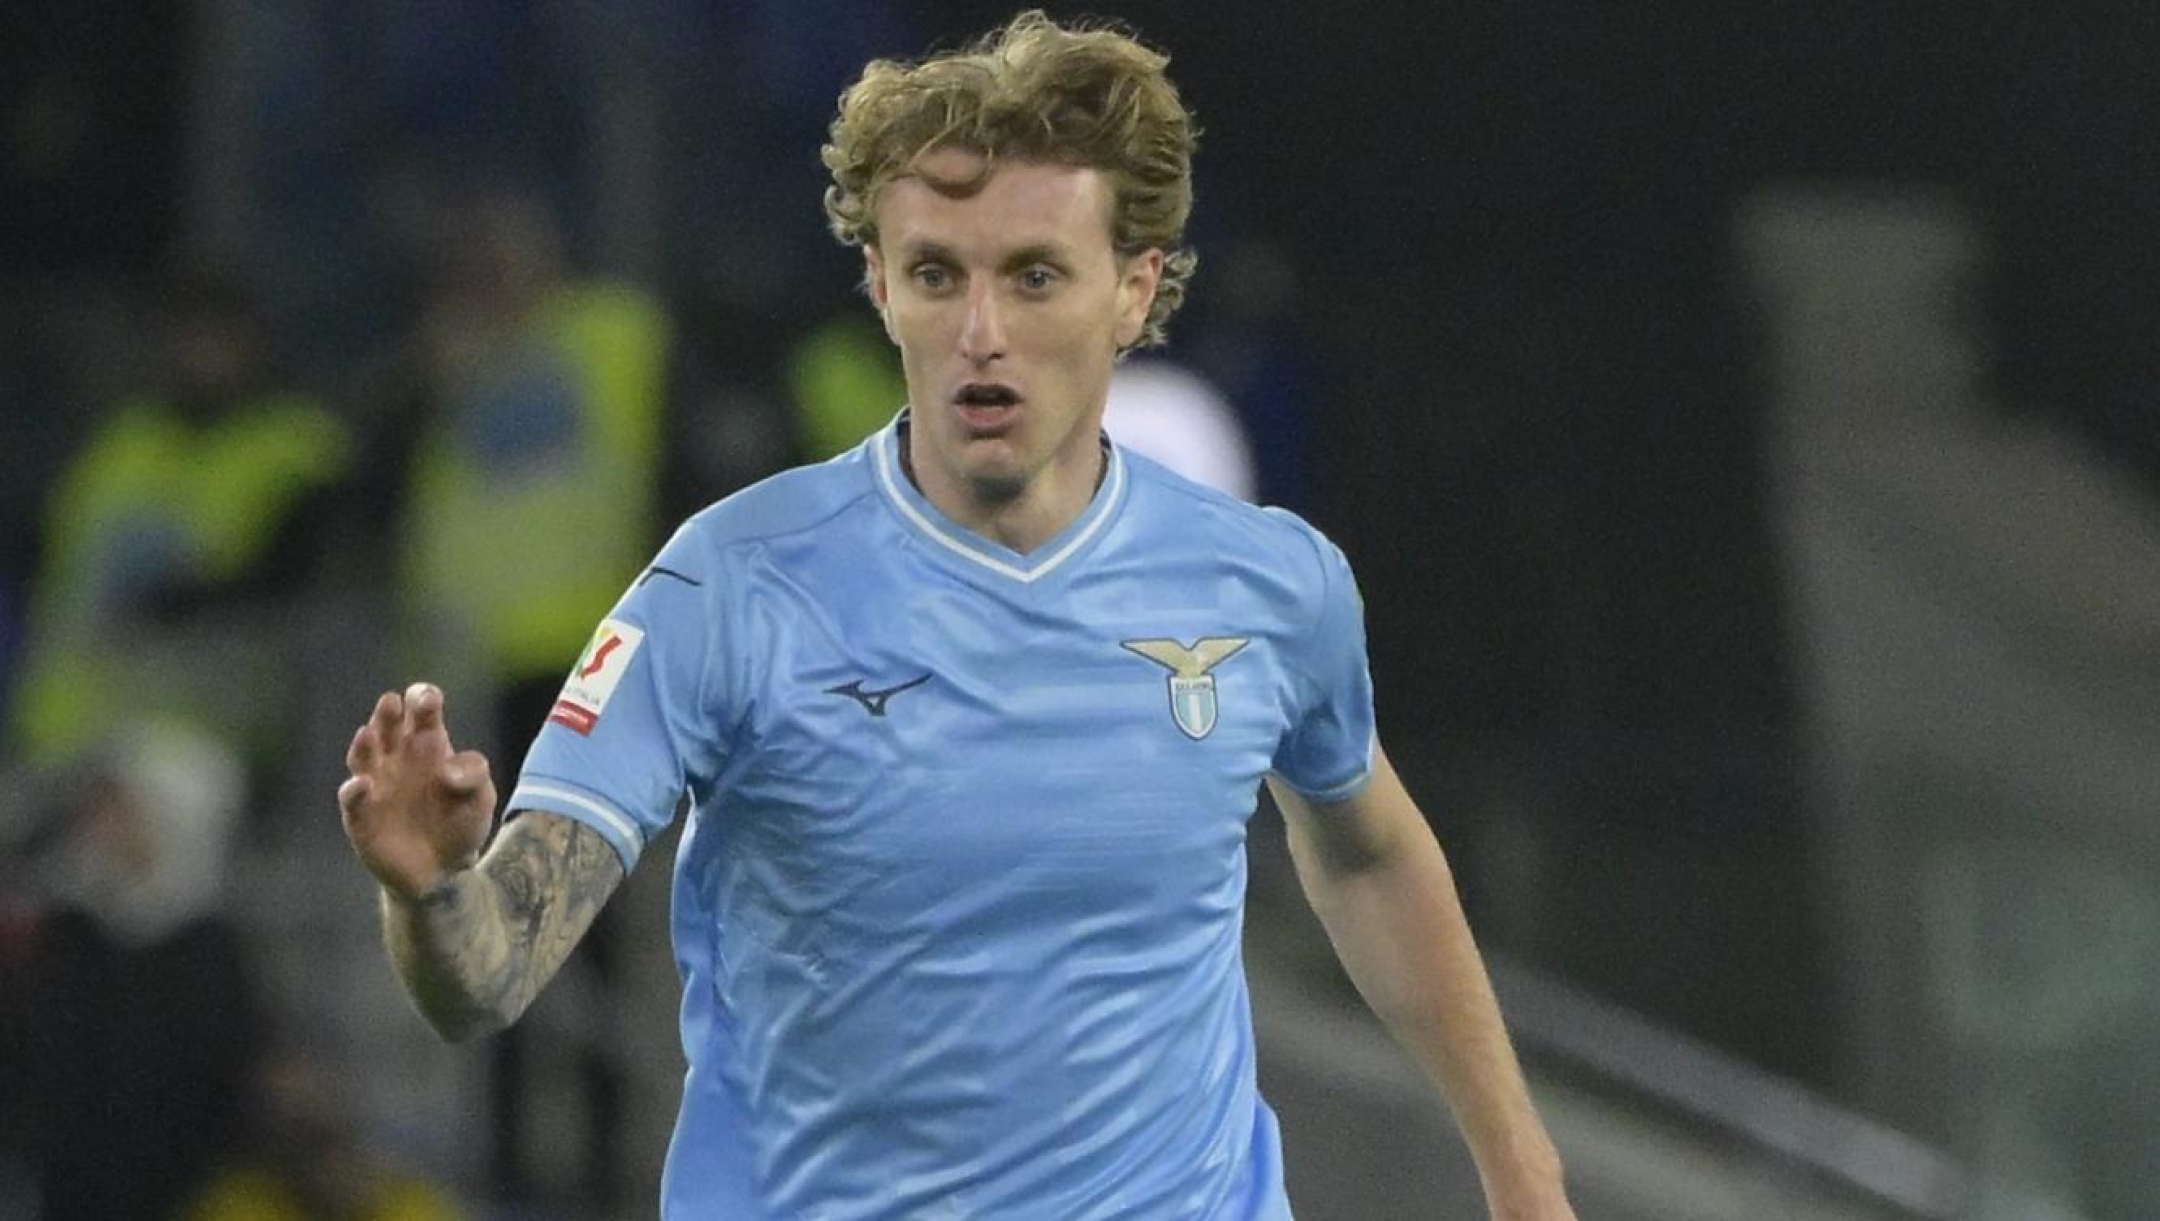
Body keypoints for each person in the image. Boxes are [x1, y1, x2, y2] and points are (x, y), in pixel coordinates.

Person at [337, 11, 1575, 1219]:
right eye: (937, 275)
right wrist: (431, 892)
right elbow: (488, 975)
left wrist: (1524, 1172)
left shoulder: (1267, 583)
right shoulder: (727, 587)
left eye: (1036, 277)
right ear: (880, 287)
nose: (981, 335)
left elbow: (1369, 854)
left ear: (1135, 292)